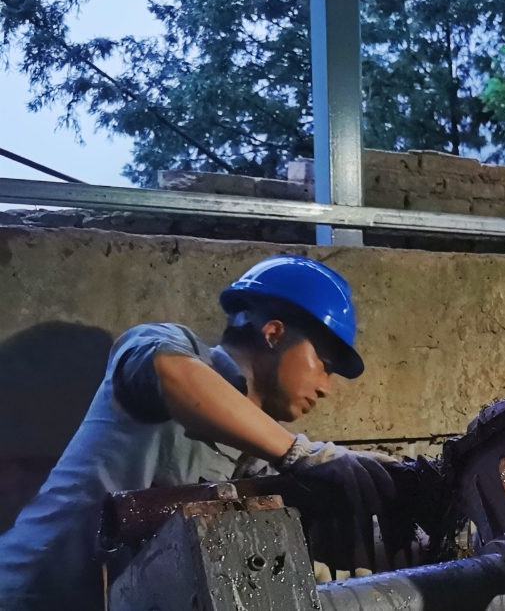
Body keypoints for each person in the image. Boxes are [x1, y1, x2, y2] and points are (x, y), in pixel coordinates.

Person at [0, 255, 398, 611]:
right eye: (323, 363)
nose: (327, 386)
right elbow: (173, 375)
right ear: (274, 333)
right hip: (32, 593)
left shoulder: (258, 451)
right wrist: (299, 452)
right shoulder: (165, 345)